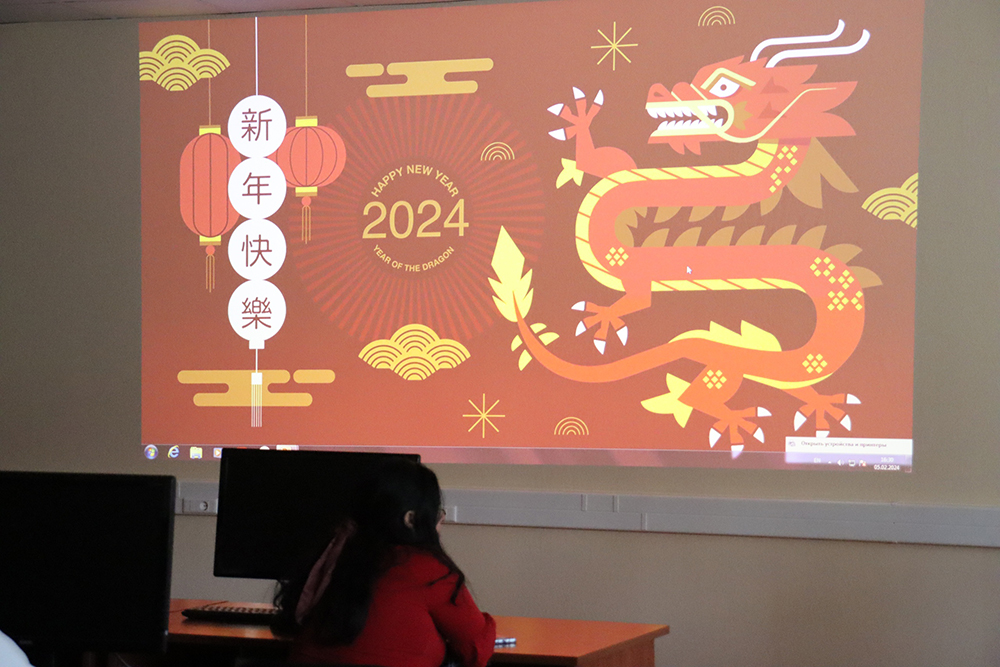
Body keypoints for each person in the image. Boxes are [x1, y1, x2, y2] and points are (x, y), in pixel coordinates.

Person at [274, 459, 495, 667]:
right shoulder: (426, 568)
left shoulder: (333, 555)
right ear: (410, 519)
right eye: (435, 514)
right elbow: (476, 648)